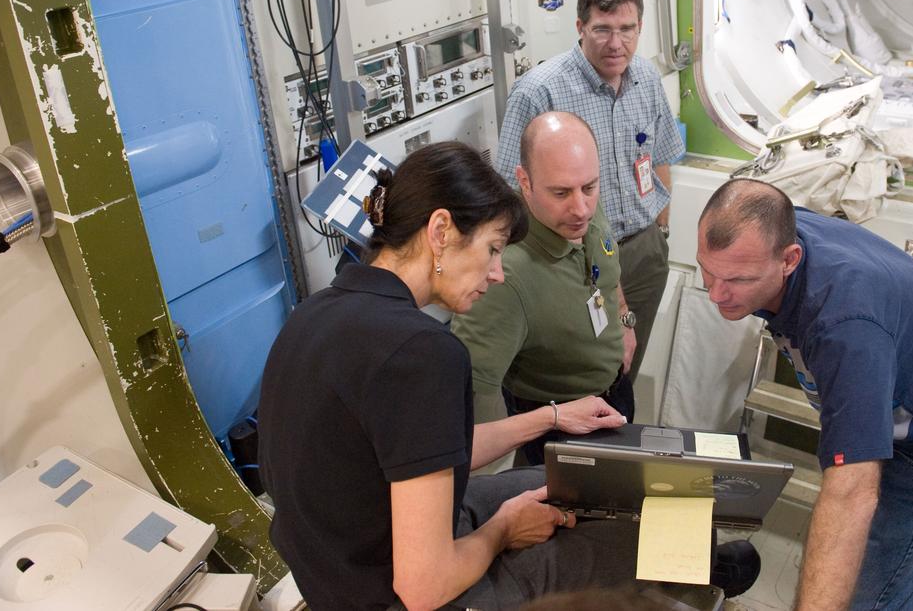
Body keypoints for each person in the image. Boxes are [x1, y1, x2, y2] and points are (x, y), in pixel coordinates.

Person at [257, 141, 639, 611]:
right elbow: (425, 589)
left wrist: (551, 417)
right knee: (615, 546)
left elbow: (422, 453)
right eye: (493, 249)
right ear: (440, 230)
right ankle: (716, 570)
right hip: (394, 592)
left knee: (556, 483)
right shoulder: (423, 352)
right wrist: (501, 530)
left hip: (337, 573)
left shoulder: (314, 312)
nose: (497, 273)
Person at [696, 179, 913, 610]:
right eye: (707, 270)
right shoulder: (777, 226)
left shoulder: (845, 330)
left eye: (738, 280)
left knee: (869, 594)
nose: (715, 293)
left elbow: (850, 494)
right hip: (898, 385)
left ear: (790, 259)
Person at [494, 0, 685, 377]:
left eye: (627, 29)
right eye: (602, 29)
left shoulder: (647, 78)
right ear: (580, 27)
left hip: (643, 253)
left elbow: (662, 155)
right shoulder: (539, 92)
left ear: (640, 28)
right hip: (575, 263)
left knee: (625, 371)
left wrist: (660, 230)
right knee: (581, 377)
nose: (616, 44)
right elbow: (511, 195)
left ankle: (619, 430)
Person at [453, 111, 636, 466]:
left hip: (614, 390)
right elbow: (471, 398)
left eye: (590, 187)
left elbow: (607, 275)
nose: (581, 208)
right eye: (561, 192)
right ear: (525, 181)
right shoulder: (504, 274)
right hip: (560, 424)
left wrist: (624, 322)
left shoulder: (577, 212)